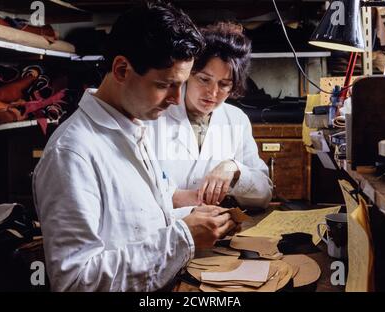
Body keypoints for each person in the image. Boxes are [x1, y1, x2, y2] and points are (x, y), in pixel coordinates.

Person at [32, 2, 237, 292]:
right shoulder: (72, 154)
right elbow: (75, 282)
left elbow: (138, 223)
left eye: (181, 84)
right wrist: (183, 237)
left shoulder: (135, 125)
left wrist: (192, 213)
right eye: (165, 84)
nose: (177, 99)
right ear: (121, 69)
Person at [149, 22, 273, 209]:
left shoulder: (236, 119)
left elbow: (264, 194)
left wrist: (234, 168)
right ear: (188, 74)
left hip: (217, 229)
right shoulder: (155, 114)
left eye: (224, 84)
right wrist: (186, 200)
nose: (212, 93)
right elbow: (137, 193)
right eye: (204, 79)